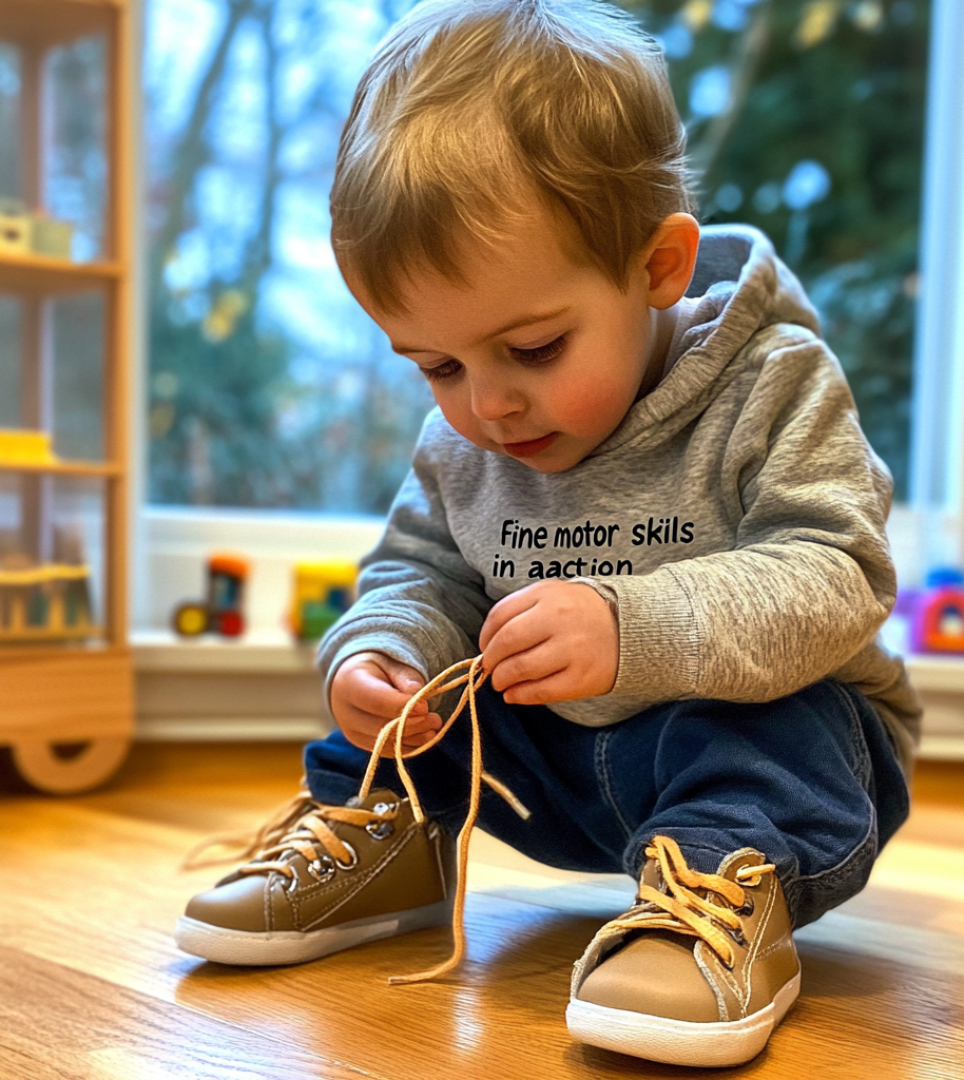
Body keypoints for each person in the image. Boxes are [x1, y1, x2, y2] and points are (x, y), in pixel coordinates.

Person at [175, 0, 920, 1067]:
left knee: (782, 716)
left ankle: (712, 893)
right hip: (548, 763)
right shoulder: (467, 436)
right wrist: (383, 651)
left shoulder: (774, 383)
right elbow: (420, 567)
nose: (487, 406)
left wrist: (636, 625)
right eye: (436, 365)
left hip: (771, 753)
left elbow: (840, 571)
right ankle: (388, 844)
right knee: (413, 705)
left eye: (532, 347)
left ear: (659, 267)